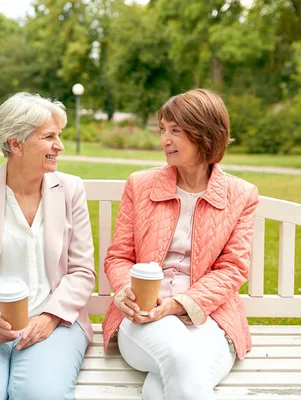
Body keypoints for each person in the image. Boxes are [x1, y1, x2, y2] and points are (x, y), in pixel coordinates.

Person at [101, 88, 259, 400]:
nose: (165, 140)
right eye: (162, 129)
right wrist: (127, 292)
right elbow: (119, 256)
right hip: (143, 316)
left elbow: (232, 269)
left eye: (176, 130)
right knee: (183, 361)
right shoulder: (140, 185)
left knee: (160, 390)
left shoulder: (241, 195)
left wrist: (179, 305)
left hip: (210, 318)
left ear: (205, 134)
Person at [0, 92, 96, 400]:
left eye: (58, 136)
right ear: (16, 144)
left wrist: (49, 317)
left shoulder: (71, 190)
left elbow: (82, 271)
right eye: (49, 137)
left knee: (41, 394)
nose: (59, 146)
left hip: (55, 321)